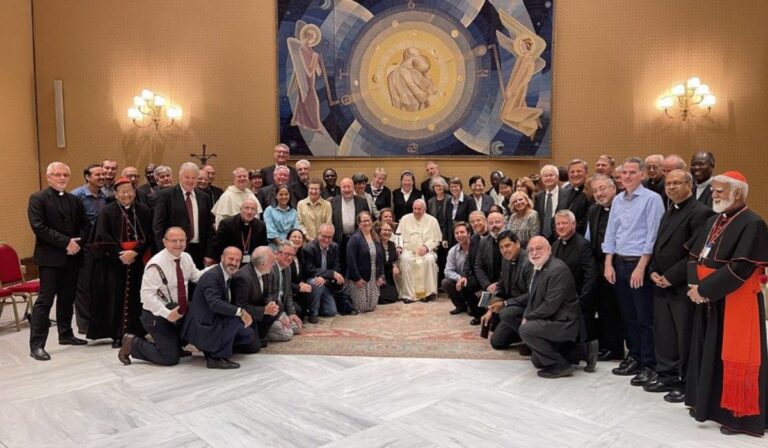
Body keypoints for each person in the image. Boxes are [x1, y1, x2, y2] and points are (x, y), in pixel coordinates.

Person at [684, 171, 768, 436]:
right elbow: (695, 255)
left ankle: (737, 416)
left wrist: (705, 290)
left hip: (733, 300)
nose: (714, 194)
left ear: (738, 193)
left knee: (732, 356)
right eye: (714, 190)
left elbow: (741, 268)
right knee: (708, 352)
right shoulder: (715, 219)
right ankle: (708, 404)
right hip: (710, 298)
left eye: (720, 190)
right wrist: (693, 285)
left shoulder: (753, 223)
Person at [644, 170, 715, 402]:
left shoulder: (701, 213)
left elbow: (695, 254)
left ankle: (685, 381)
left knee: (684, 335)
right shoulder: (669, 210)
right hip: (661, 282)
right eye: (669, 184)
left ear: (690, 186)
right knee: (664, 333)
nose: (672, 187)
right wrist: (653, 269)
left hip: (681, 285)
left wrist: (670, 276)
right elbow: (658, 245)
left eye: (677, 183)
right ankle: (667, 374)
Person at [603, 157, 665, 385]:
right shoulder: (618, 200)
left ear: (641, 175)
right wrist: (608, 262)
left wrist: (641, 267)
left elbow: (653, 235)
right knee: (628, 316)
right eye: (623, 173)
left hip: (639, 264)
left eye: (631, 173)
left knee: (644, 317)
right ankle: (635, 356)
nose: (626, 177)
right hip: (619, 262)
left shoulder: (652, 199)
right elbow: (611, 232)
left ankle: (649, 364)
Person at [28, 162, 90, 361]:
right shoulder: (37, 198)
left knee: (67, 298)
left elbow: (85, 225)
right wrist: (66, 243)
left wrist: (77, 242)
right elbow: (39, 227)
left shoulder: (75, 200)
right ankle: (37, 345)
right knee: (45, 302)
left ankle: (66, 334)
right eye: (57, 175)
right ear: (48, 177)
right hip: (50, 259)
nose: (62, 178)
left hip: (73, 257)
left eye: (65, 174)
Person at [118, 227, 204, 366]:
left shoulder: (186, 257)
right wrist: (167, 314)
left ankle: (175, 344)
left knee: (195, 325)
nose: (178, 244)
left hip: (178, 313)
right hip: (157, 316)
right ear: (165, 242)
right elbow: (146, 296)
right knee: (169, 358)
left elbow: (196, 276)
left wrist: (215, 270)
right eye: (174, 241)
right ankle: (132, 343)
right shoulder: (156, 264)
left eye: (182, 240)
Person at [87, 177, 153, 348]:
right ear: (116, 194)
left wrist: (135, 252)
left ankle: (137, 333)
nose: (127, 195)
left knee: (137, 298)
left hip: (138, 261)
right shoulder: (107, 212)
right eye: (123, 192)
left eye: (130, 191)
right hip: (114, 263)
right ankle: (117, 334)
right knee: (115, 298)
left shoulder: (144, 211)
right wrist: (120, 254)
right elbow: (102, 236)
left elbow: (150, 236)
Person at [519, 236, 598, 378]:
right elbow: (533, 299)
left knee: (526, 330)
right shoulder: (538, 267)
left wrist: (529, 318)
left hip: (563, 322)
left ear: (549, 250)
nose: (534, 253)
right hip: (551, 319)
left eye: (539, 249)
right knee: (537, 360)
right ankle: (584, 350)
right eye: (531, 250)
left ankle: (561, 366)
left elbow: (550, 305)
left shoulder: (557, 269)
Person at [180, 247, 259, 369]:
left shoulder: (227, 274)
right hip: (203, 324)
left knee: (248, 335)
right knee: (238, 319)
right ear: (222, 258)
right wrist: (240, 312)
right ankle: (215, 357)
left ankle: (214, 347)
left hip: (215, 318)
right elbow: (215, 303)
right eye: (231, 259)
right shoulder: (211, 276)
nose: (234, 263)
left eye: (237, 260)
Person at [585, 174, 625, 361]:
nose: (599, 194)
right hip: (599, 265)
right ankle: (608, 345)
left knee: (618, 309)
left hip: (620, 265)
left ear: (613, 188)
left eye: (603, 189)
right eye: (595, 190)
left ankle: (618, 347)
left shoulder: (624, 208)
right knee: (604, 308)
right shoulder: (593, 210)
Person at [152, 162, 215, 268]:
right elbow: (158, 226)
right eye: (187, 177)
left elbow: (209, 228)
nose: (190, 181)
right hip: (174, 250)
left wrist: (209, 253)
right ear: (180, 176)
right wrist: (164, 252)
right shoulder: (166, 196)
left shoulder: (204, 197)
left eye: (194, 178)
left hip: (199, 251)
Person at [71, 163, 108, 333]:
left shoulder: (106, 195)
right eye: (97, 175)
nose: (102, 177)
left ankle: (99, 322)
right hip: (84, 247)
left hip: (102, 246)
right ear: (87, 177)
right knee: (83, 288)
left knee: (99, 286)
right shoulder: (76, 196)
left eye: (103, 174)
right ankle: (84, 325)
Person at [482, 231, 533, 351]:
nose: (505, 250)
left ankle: (530, 338)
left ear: (517, 244)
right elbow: (500, 286)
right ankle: (521, 333)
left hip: (528, 308)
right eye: (501, 247)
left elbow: (532, 294)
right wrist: (491, 308)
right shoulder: (505, 260)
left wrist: (505, 304)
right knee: (497, 342)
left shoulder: (529, 262)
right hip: (512, 308)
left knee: (505, 313)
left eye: (508, 245)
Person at [552, 210, 597, 343]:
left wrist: (582, 300)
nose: (560, 226)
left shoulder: (583, 245)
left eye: (564, 223)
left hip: (578, 299)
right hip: (558, 298)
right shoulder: (555, 246)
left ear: (573, 224)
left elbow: (591, 275)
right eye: (558, 223)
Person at [231, 246, 280, 345]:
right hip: (244, 315)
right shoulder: (243, 277)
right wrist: (264, 310)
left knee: (279, 305)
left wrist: (270, 303)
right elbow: (240, 307)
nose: (273, 265)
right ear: (263, 264)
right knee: (254, 347)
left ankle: (260, 335)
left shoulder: (265, 271)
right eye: (272, 262)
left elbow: (269, 292)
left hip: (257, 309)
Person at [395, 199, 442, 302]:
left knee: (429, 260)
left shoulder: (432, 220)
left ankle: (427, 293)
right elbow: (398, 236)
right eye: (414, 209)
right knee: (405, 259)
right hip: (408, 249)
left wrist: (426, 247)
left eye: (419, 209)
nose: (416, 211)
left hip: (425, 251)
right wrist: (399, 247)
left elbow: (437, 239)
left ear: (424, 209)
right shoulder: (405, 219)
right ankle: (408, 295)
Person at [303, 223, 347, 318]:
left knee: (331, 312)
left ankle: (316, 305)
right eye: (324, 236)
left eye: (329, 237)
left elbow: (336, 267)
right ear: (318, 234)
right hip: (311, 280)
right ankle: (312, 313)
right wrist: (331, 274)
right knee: (317, 283)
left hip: (325, 282)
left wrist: (325, 277)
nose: (326, 239)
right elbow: (310, 270)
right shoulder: (309, 248)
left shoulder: (334, 247)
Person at [345, 211, 385, 313]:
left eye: (368, 220)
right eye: (364, 221)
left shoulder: (375, 237)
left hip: (373, 277)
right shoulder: (354, 239)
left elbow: (380, 259)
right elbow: (351, 261)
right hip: (360, 278)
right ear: (359, 223)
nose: (367, 223)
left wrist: (381, 275)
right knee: (361, 308)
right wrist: (357, 278)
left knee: (372, 307)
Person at [473, 212, 507, 325]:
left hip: (507, 287)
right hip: (489, 286)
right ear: (487, 225)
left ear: (504, 223)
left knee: (495, 324)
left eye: (497, 222)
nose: (495, 225)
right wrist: (487, 285)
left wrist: (499, 285)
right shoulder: (483, 241)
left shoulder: (511, 239)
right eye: (491, 223)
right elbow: (478, 266)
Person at [267, 241, 303, 341]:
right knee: (288, 334)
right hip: (270, 309)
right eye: (287, 254)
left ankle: (278, 326)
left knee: (298, 327)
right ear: (277, 254)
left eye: (292, 255)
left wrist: (292, 313)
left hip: (281, 307)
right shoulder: (270, 269)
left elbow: (289, 293)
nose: (290, 258)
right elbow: (269, 297)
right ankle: (261, 334)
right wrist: (280, 316)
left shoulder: (287, 268)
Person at [330, 177, 369, 271]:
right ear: (340, 189)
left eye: (349, 187)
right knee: (341, 265)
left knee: (356, 264)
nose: (347, 189)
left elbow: (367, 220)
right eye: (344, 187)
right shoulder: (333, 202)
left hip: (357, 238)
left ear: (353, 188)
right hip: (339, 239)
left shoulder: (362, 201)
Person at [211, 198, 268, 263]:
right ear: (240, 209)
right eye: (247, 208)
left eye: (253, 209)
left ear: (256, 212)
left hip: (251, 264)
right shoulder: (227, 224)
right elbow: (218, 247)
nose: (249, 212)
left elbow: (263, 247)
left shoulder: (261, 225)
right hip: (231, 262)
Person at [456, 211, 488, 321]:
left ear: (485, 220)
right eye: (472, 222)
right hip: (476, 276)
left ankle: (487, 312)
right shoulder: (473, 239)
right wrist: (463, 276)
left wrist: (484, 286)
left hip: (490, 277)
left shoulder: (491, 237)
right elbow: (468, 261)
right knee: (464, 285)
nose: (476, 223)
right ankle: (477, 314)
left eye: (478, 220)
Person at [534, 165, 571, 242]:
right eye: (545, 176)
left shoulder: (567, 194)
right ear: (541, 179)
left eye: (551, 175)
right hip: (543, 238)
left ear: (557, 177)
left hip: (561, 237)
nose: (548, 178)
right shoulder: (538, 196)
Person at [442, 222, 471, 314]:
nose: (459, 235)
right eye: (457, 233)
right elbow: (448, 271)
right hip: (460, 281)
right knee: (446, 282)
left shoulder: (477, 247)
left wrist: (466, 278)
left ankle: (471, 304)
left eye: (462, 232)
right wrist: (460, 278)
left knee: (472, 312)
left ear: (469, 233)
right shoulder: (453, 251)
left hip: (473, 281)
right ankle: (460, 306)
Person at [286, 229, 313, 321]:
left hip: (295, 290)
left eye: (300, 237)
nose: (297, 239)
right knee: (298, 311)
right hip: (286, 292)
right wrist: (298, 287)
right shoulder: (285, 256)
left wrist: (302, 283)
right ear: (287, 239)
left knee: (309, 288)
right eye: (294, 237)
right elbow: (283, 281)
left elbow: (302, 274)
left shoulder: (301, 255)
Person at [427, 177, 450, 284]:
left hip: (447, 232)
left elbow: (449, 220)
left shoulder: (449, 199)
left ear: (444, 187)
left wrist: (445, 236)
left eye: (440, 185)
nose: (438, 188)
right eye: (436, 186)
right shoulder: (430, 201)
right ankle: (437, 282)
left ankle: (445, 281)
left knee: (445, 257)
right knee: (437, 257)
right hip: (434, 233)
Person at [375, 221, 400, 304]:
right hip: (377, 275)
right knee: (382, 298)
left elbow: (393, 260)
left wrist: (395, 266)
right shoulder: (376, 244)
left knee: (393, 296)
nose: (387, 232)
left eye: (389, 230)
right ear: (379, 231)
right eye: (385, 230)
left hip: (388, 277)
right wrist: (378, 276)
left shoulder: (392, 244)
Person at [565, 159, 591, 234]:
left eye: (579, 171)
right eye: (572, 172)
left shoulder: (590, 193)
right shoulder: (566, 192)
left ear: (586, 173)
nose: (575, 174)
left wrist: (569, 231)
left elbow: (586, 219)